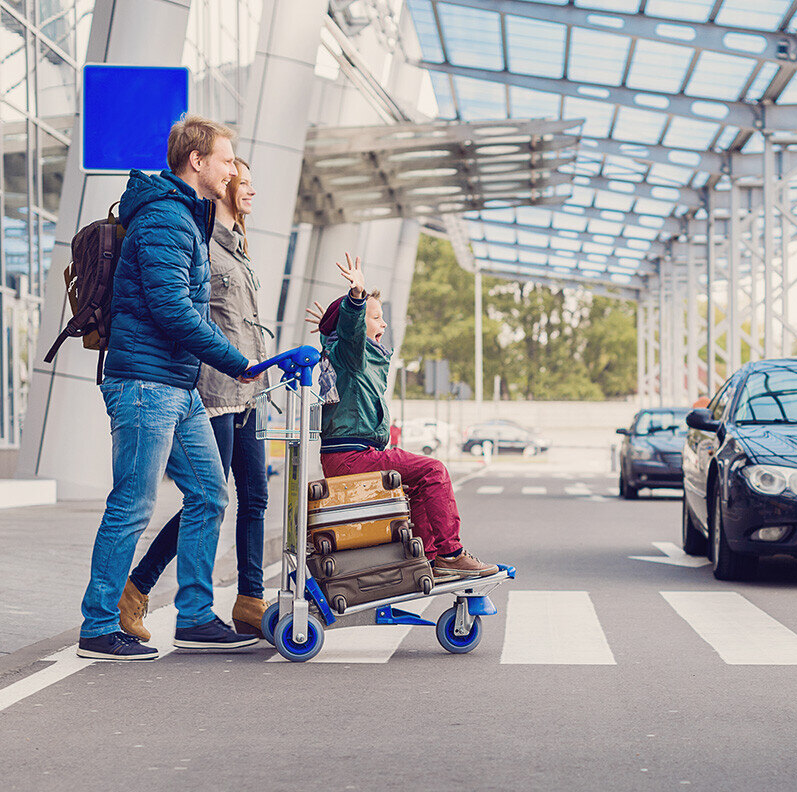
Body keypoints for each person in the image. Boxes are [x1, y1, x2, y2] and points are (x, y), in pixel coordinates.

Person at [77, 115, 260, 661]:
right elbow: (172, 308)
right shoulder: (164, 217)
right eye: (226, 161)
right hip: (143, 383)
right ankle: (98, 625)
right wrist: (236, 362)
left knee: (209, 492)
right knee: (132, 504)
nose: (232, 170)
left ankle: (196, 616)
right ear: (197, 162)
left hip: (174, 384)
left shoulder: (183, 215)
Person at [118, 157, 272, 642]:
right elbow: (188, 316)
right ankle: (138, 586)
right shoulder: (201, 241)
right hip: (214, 390)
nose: (245, 187)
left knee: (254, 496)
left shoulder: (240, 249)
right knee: (206, 497)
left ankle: (250, 598)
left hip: (251, 390)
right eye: (239, 178)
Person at [306, 255, 497, 579]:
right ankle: (450, 553)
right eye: (377, 318)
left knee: (421, 483)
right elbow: (351, 329)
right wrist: (356, 298)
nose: (383, 325)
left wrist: (337, 321)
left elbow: (345, 331)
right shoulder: (351, 354)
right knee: (434, 470)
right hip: (352, 456)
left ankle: (432, 556)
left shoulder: (348, 355)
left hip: (353, 455)